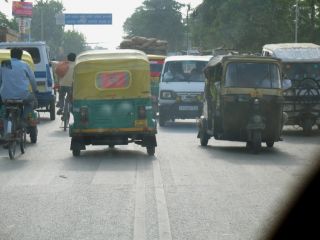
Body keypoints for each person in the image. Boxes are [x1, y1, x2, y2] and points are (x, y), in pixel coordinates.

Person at [0, 48, 37, 132]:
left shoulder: (4, 64)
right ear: (20, 56)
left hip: (5, 96)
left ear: (11, 55)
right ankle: (23, 119)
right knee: (31, 102)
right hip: (23, 95)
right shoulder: (24, 65)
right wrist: (35, 90)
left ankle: (6, 131)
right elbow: (32, 79)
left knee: (5, 109)